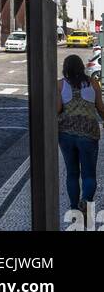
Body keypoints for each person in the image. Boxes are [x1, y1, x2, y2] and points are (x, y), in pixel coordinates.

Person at [57, 53, 104, 214]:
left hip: (66, 134)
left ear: (65, 68)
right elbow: (101, 108)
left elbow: (57, 110)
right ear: (81, 68)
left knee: (72, 173)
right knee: (89, 174)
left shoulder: (60, 85)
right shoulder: (93, 83)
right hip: (89, 133)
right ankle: (86, 200)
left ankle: (74, 208)